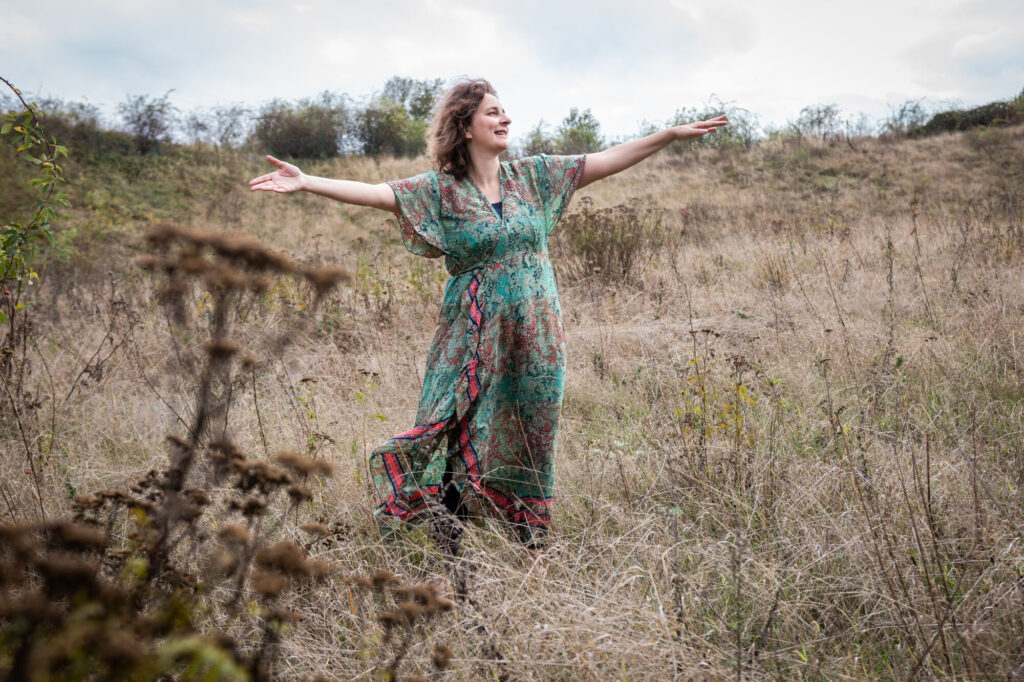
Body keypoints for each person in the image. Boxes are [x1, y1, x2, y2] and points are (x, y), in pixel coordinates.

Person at [249, 78, 726, 554]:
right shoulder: (440, 191)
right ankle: (450, 540)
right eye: (493, 112)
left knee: (531, 431)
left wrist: (667, 135)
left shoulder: (534, 177)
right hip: (471, 336)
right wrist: (307, 181)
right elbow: (376, 193)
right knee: (456, 425)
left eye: (504, 111)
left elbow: (605, 159)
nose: (506, 119)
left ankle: (531, 540)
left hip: (537, 337)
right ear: (466, 126)